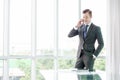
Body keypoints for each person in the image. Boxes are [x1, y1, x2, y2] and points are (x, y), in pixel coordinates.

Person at [68, 9, 104, 80]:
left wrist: (94, 55)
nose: (85, 19)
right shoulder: (81, 27)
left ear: (91, 17)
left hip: (89, 56)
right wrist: (77, 26)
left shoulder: (96, 28)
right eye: (83, 17)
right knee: (77, 75)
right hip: (80, 55)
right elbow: (70, 35)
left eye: (86, 17)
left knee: (89, 77)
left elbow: (101, 43)